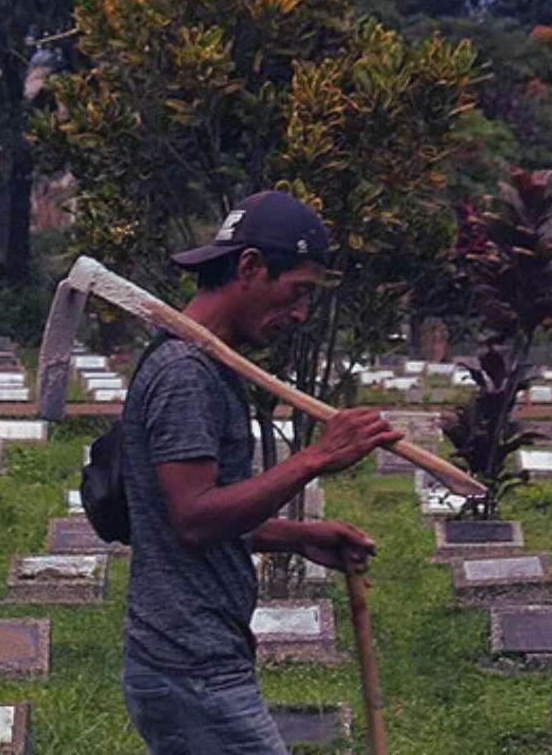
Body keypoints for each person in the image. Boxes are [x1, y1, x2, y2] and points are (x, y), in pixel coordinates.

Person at [120, 190, 404, 754]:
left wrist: (296, 537)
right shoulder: (185, 374)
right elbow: (193, 521)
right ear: (250, 267)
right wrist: (316, 458)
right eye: (297, 291)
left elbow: (203, 515)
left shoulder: (203, 365)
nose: (301, 314)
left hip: (193, 657)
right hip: (190, 667)